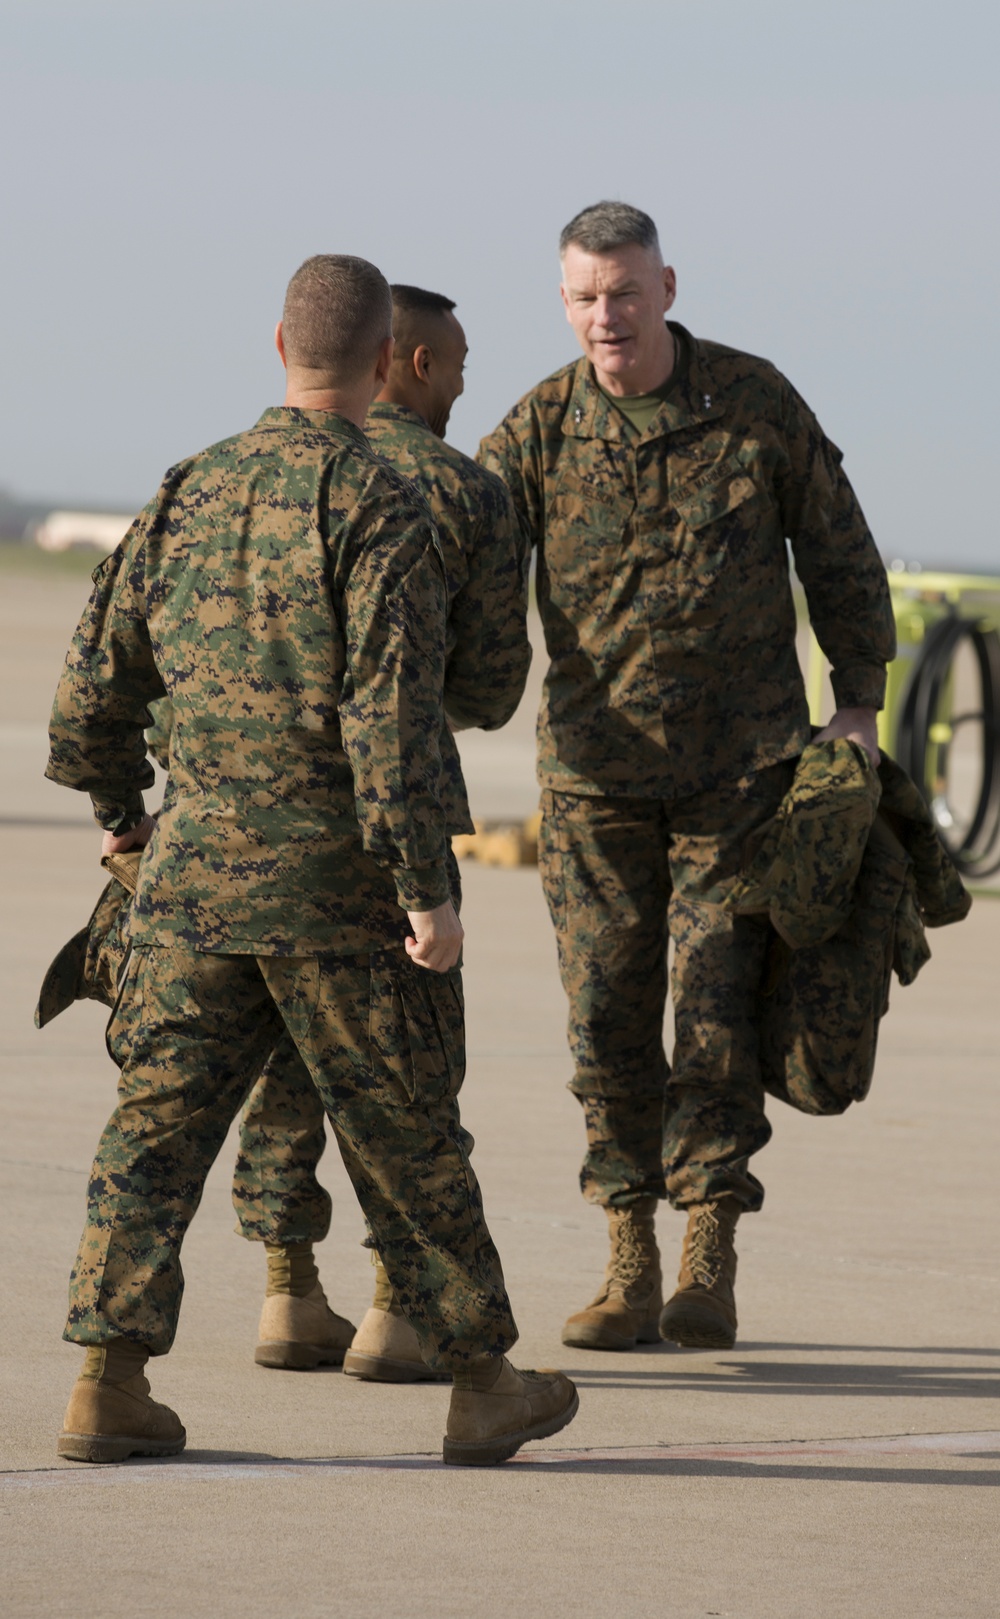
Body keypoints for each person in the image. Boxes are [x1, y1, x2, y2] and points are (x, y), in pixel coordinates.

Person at [46, 253, 576, 1466]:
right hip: (336, 894)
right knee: (405, 1134)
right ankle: (484, 1381)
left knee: (154, 1131)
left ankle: (108, 1379)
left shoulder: (188, 485)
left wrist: (126, 813)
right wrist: (425, 890)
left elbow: (92, 687)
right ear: (389, 363)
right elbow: (390, 716)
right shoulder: (377, 503)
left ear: (275, 344)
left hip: (192, 879)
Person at [479, 201, 895, 1353]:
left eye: (621, 292)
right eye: (581, 296)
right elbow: (466, 573)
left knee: (712, 1006)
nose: (603, 316)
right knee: (605, 1015)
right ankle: (626, 1248)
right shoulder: (534, 430)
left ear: (666, 287)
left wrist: (854, 701)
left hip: (741, 774)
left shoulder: (754, 401)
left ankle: (707, 1248)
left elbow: (840, 545)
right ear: (563, 301)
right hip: (594, 782)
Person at [228, 282, 531, 1379]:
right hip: (387, 830)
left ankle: (286, 1291)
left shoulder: (246, 475)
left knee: (282, 1063)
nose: (460, 383)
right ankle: (400, 1307)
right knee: (406, 1075)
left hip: (251, 824)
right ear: (403, 361)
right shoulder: (461, 489)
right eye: (451, 363)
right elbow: (495, 686)